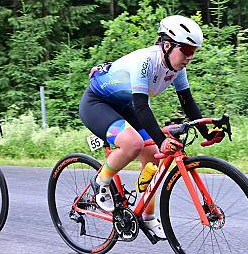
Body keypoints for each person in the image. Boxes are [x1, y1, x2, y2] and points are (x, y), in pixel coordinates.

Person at [79, 15, 225, 239]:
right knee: (134, 144)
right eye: (186, 49)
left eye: (193, 51)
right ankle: (100, 182)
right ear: (167, 45)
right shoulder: (147, 61)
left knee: (154, 155)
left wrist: (207, 130)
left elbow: (187, 101)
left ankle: (147, 217)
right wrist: (161, 139)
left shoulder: (177, 68)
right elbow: (141, 107)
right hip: (97, 103)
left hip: (125, 105)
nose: (189, 57)